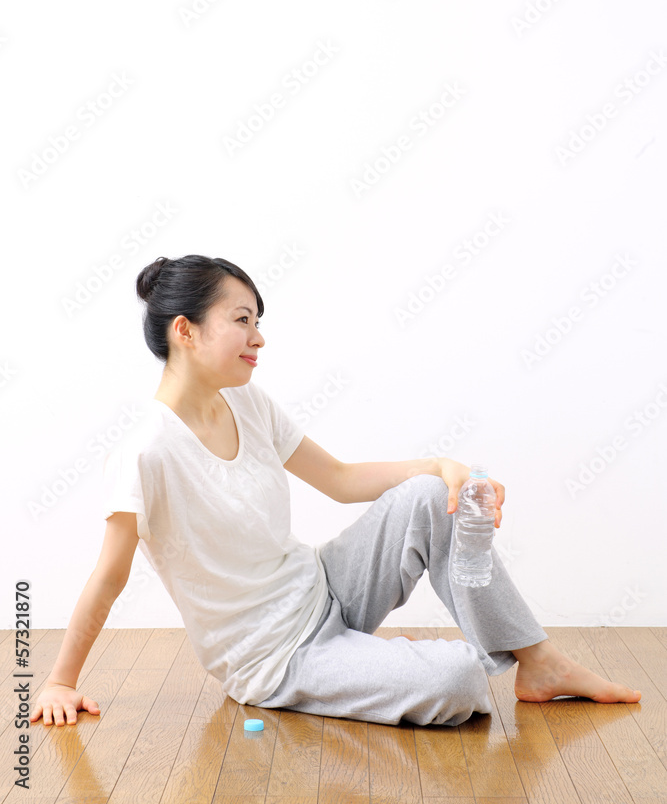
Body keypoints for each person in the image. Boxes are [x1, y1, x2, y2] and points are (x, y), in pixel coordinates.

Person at [30, 254, 642, 728]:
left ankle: (538, 662)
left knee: (432, 495)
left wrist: (439, 465)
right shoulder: (146, 451)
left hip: (323, 586)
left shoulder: (247, 402)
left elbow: (342, 481)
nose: (258, 338)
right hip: (274, 657)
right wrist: (59, 682)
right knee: (458, 682)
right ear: (185, 330)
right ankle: (392, 666)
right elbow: (108, 578)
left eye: (258, 322)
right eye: (242, 320)